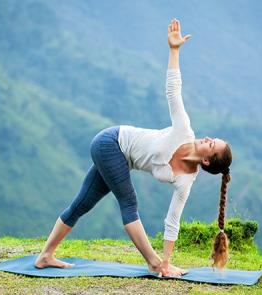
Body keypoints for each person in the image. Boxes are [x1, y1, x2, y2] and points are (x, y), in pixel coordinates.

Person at [34, 18, 232, 277]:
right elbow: (174, 91)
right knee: (129, 203)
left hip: (119, 158)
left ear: (207, 161)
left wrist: (169, 261)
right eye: (211, 137)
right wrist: (174, 50)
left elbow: (173, 221)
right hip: (111, 142)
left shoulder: (186, 181)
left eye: (212, 144)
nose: (207, 138)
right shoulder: (185, 131)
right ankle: (152, 262)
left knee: (82, 203)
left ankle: (45, 256)